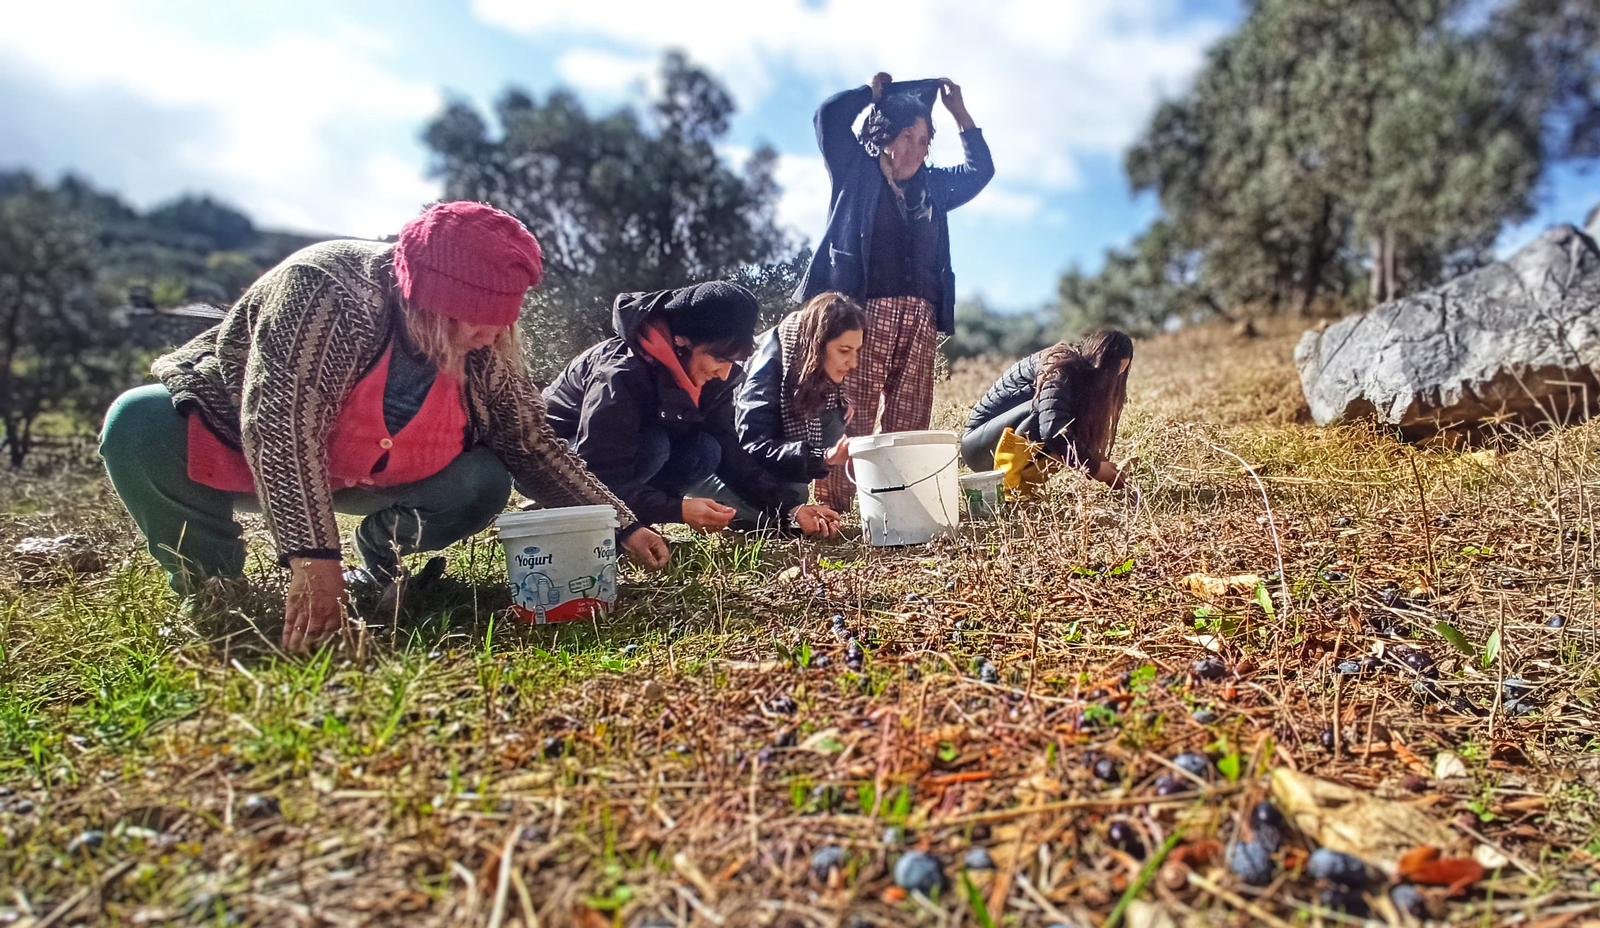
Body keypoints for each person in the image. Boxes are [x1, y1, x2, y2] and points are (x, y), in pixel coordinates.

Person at [99, 202, 670, 654]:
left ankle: (378, 563)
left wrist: (622, 523)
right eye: (474, 318)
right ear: (427, 300)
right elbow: (283, 427)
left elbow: (533, 445)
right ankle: (216, 590)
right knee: (140, 423)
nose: (492, 335)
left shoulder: (486, 344)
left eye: (504, 320)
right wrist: (314, 563)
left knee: (484, 477)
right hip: (254, 454)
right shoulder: (326, 291)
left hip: (384, 476)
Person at [794, 72, 995, 508]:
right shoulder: (855, 171)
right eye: (912, 137)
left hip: (920, 316)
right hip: (863, 313)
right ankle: (834, 507)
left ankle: (899, 507)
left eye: (926, 141)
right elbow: (828, 116)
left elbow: (981, 171)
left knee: (910, 416)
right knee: (853, 410)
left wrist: (961, 114)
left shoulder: (934, 186)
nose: (921, 149)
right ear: (888, 137)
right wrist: (871, 93)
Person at [542, 282, 841, 537]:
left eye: (732, 361)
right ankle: (577, 517)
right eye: (720, 359)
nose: (725, 373)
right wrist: (677, 510)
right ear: (681, 341)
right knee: (655, 446)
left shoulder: (705, 378)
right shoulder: (620, 374)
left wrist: (790, 508)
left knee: (705, 450)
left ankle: (632, 519)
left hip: (614, 463)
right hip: (553, 465)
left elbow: (731, 452)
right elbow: (599, 472)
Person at [719, 292, 866, 531]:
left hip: (769, 459)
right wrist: (822, 456)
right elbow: (752, 444)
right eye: (844, 350)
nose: (854, 363)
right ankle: (720, 502)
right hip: (728, 463)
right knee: (783, 507)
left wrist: (840, 401)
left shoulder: (804, 354)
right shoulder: (768, 368)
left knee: (835, 415)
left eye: (856, 351)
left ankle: (780, 501)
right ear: (818, 343)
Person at [959, 331, 1135, 488]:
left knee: (1064, 424)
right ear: (1099, 360)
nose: (1115, 377)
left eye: (1121, 372)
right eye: (1114, 369)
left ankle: (1020, 486)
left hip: (997, 443)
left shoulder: (1081, 379)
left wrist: (1103, 467)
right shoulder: (1060, 365)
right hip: (978, 448)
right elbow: (1051, 429)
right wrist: (1094, 468)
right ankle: (1009, 488)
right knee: (1046, 415)